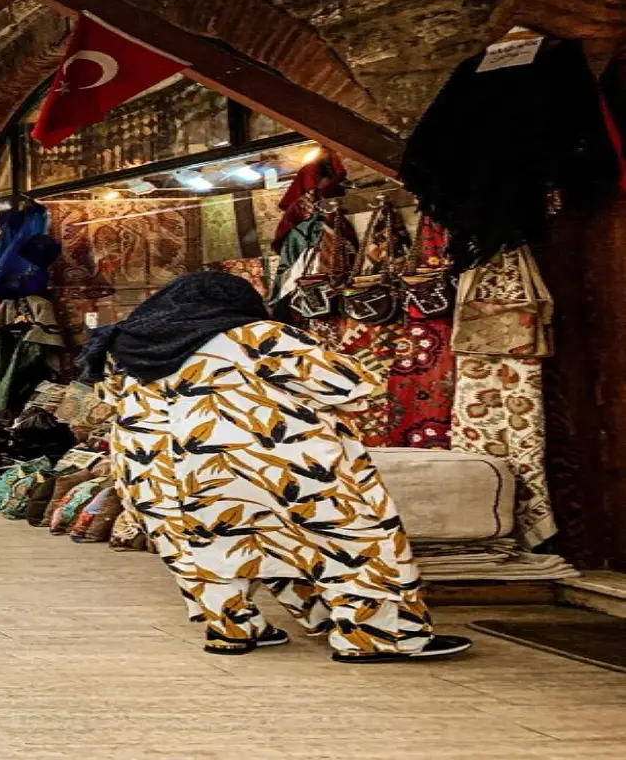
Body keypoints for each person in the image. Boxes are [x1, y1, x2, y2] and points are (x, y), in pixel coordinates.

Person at [83, 273, 470, 662]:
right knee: (350, 540)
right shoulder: (257, 336)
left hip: (153, 467)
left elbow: (109, 396)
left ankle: (232, 628)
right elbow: (350, 386)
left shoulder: (122, 346)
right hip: (264, 464)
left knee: (204, 546)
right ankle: (378, 636)